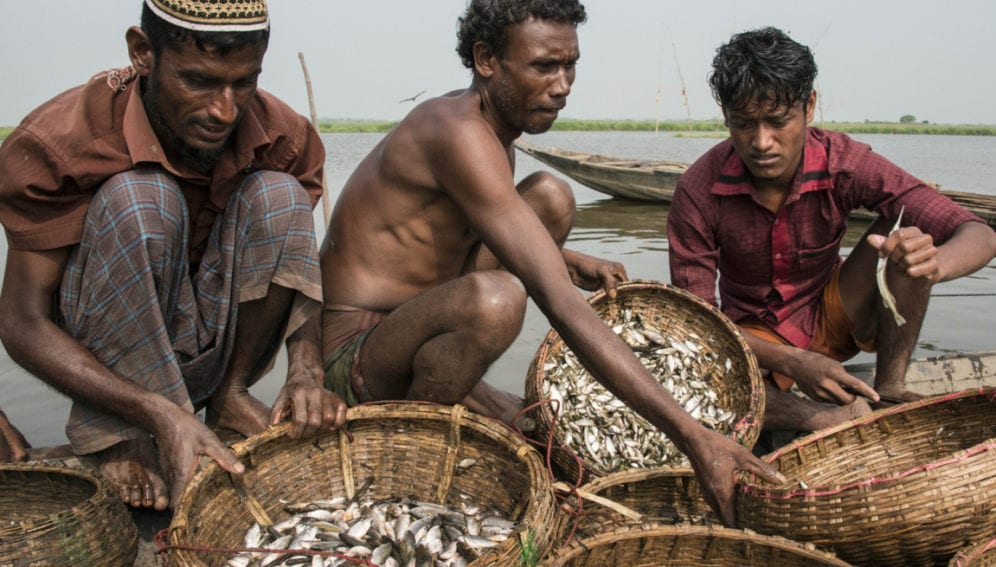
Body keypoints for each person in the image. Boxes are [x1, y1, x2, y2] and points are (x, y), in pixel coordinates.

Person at [319, 0, 784, 527]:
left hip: (417, 319)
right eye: (544, 67)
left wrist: (564, 257)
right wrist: (691, 433)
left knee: (550, 197)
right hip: (358, 355)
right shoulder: (456, 131)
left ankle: (463, 391)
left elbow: (455, 232)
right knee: (498, 301)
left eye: (571, 65)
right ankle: (410, 442)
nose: (563, 85)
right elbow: (560, 305)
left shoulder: (493, 128)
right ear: (486, 59)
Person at [0, 0, 347, 511]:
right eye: (199, 81)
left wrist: (305, 370)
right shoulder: (58, 144)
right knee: (140, 200)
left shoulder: (284, 137)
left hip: (213, 343)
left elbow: (292, 264)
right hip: (111, 364)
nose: (224, 111)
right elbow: (22, 322)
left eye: (243, 83)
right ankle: (124, 435)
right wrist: (158, 413)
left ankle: (228, 400)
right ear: (142, 53)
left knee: (281, 195)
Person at [667, 27, 996, 435]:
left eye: (777, 121)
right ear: (726, 117)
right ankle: (834, 418)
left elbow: (977, 233)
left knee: (906, 229)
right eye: (744, 124)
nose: (762, 142)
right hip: (757, 341)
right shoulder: (698, 191)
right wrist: (790, 361)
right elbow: (696, 325)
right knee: (686, 385)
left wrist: (933, 264)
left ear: (809, 107)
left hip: (836, 311)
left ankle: (890, 388)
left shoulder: (844, 162)